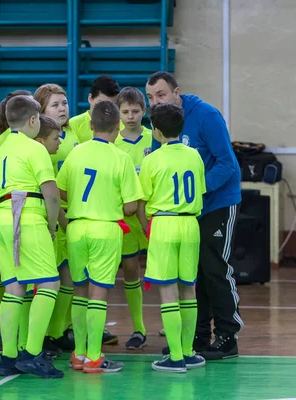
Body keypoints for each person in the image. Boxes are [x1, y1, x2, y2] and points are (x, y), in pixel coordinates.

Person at [145, 71, 243, 360]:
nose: (155, 102)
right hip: (187, 213)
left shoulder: (207, 115)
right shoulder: (159, 124)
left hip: (218, 203)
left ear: (177, 93)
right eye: (150, 97)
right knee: (192, 273)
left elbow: (228, 164)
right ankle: (196, 336)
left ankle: (227, 335)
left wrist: (197, 191)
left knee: (214, 268)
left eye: (160, 95)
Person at [56, 100, 142, 373]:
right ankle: (94, 356)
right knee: (98, 294)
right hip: (106, 229)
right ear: (117, 127)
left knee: (79, 291)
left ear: (91, 125)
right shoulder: (122, 158)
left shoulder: (76, 153)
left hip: (76, 227)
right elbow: (130, 206)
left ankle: (78, 354)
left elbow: (62, 191)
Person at [0, 95, 63, 379]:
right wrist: (53, 226)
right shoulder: (34, 149)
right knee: (49, 281)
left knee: (14, 287)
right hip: (27, 215)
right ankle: (32, 353)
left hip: (1, 218)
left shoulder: (0, 149)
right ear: (34, 120)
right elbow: (52, 195)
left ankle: (8, 357)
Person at [137, 103, 206, 372]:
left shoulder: (151, 159)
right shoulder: (195, 156)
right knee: (188, 289)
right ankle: (188, 352)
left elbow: (142, 201)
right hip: (190, 225)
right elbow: (200, 190)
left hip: (164, 224)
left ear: (156, 131)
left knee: (168, 292)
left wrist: (146, 229)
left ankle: (175, 357)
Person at [0, 89, 33, 352]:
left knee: (11, 276)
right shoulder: (6, 142)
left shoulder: (14, 141)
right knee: (0, 273)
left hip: (9, 214)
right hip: (5, 213)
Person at [34, 84, 78, 354]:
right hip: (49, 218)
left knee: (68, 280)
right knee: (45, 281)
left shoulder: (76, 134)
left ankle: (57, 331)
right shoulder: (38, 143)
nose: (62, 108)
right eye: (55, 104)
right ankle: (36, 337)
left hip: (68, 218)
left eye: (64, 103)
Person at [115, 87, 153, 349]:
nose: (130, 116)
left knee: (168, 272)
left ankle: (180, 324)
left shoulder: (155, 139)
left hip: (152, 215)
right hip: (125, 216)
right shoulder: (112, 142)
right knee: (130, 270)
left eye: (135, 111)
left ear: (144, 111)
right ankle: (139, 328)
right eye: (125, 111)